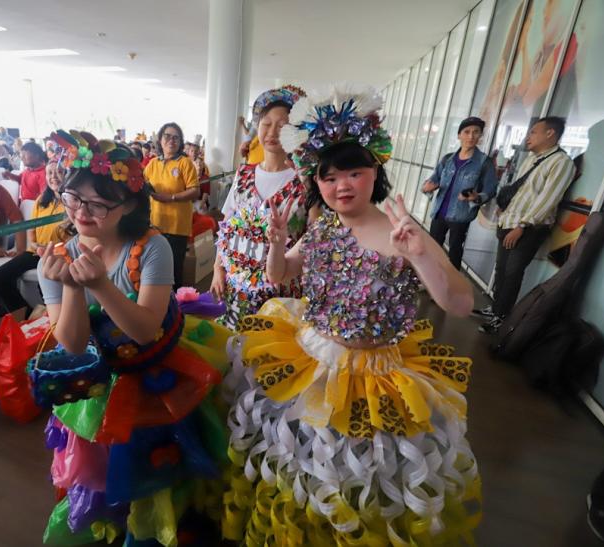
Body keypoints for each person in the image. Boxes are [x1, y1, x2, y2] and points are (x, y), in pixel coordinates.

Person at [221, 87, 480, 545]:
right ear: (316, 182)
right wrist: (277, 241)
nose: (342, 185)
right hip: (315, 359)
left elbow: (460, 305)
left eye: (354, 173)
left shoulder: (403, 230)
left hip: (378, 371)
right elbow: (280, 275)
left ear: (374, 173)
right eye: (329, 177)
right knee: (309, 464)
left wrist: (420, 257)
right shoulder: (322, 227)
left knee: (364, 471)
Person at [36, 134, 226, 545]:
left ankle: (154, 529)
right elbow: (71, 344)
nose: (83, 213)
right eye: (74, 199)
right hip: (99, 383)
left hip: (152, 371)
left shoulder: (151, 246)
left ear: (130, 205)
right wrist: (70, 285)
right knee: (102, 469)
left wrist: (102, 286)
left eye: (100, 203)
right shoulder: (56, 257)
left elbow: (144, 329)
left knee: (154, 464)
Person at [210, 86, 309, 329]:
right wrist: (217, 268)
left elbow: (313, 236)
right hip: (238, 287)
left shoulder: (306, 180)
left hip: (282, 292)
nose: (272, 132)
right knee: (233, 347)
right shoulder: (243, 174)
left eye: (283, 125)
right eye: (266, 123)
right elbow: (226, 226)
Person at [477, 116, 576, 333]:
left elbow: (548, 199)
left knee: (513, 272)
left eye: (533, 132)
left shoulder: (561, 163)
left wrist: (522, 226)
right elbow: (520, 190)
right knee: (502, 269)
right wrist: (506, 209)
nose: (528, 137)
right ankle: (495, 308)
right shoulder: (531, 159)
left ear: (550, 133)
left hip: (528, 228)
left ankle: (502, 318)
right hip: (508, 221)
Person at [421, 117, 498, 270]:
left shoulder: (484, 162)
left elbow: (490, 190)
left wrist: (476, 197)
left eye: (476, 132)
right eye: (467, 132)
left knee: (455, 252)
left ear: (480, 137)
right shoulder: (447, 159)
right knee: (432, 249)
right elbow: (432, 180)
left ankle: (452, 285)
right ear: (459, 135)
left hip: (461, 216)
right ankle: (431, 280)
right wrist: (427, 188)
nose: (471, 136)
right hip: (439, 213)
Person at [0, 161, 66, 311]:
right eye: (50, 173)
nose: (54, 177)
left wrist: (53, 250)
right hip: (35, 252)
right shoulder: (42, 200)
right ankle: (28, 316)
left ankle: (51, 319)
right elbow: (32, 227)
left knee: (47, 288)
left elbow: (75, 236)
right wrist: (34, 243)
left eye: (59, 172)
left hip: (59, 256)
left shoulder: (73, 202)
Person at [144, 123, 199, 288]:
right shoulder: (153, 163)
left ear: (181, 142)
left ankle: (176, 309)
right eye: (167, 136)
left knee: (174, 271)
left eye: (176, 137)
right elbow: (142, 183)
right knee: (155, 268)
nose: (171, 140)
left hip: (177, 226)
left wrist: (171, 198)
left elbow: (195, 191)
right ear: (160, 140)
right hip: (155, 225)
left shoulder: (184, 163)